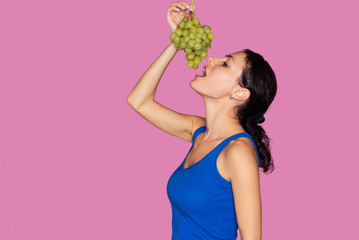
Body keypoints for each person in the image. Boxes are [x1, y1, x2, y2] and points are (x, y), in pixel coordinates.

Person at [127, 1, 277, 239]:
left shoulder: (237, 151)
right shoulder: (199, 131)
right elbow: (138, 101)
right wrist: (176, 42)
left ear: (240, 93)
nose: (211, 60)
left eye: (226, 63)